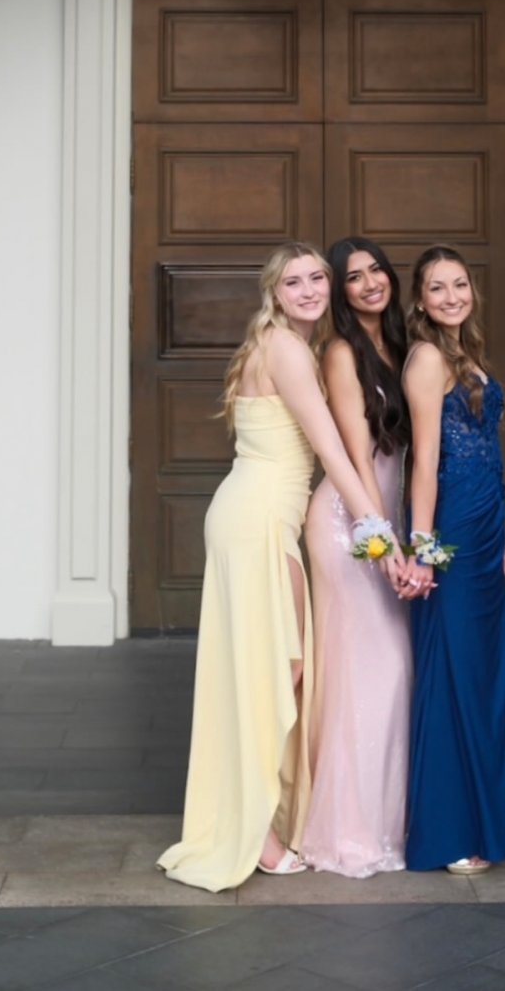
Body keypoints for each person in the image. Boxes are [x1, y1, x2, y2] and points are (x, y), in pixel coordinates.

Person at [157, 241, 398, 893]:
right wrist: (378, 537)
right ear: (274, 291)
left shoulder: (285, 344)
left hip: (257, 518)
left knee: (270, 672)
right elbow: (331, 449)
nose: (310, 289)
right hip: (258, 522)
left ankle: (259, 818)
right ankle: (256, 835)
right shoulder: (287, 349)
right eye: (294, 282)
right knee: (276, 672)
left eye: (318, 278)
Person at [402, 244, 505, 874]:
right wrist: (424, 548)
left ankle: (490, 820)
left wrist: (501, 538)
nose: (452, 296)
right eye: (437, 288)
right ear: (420, 299)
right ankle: (452, 831)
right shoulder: (428, 358)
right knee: (455, 671)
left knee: (485, 674)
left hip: (484, 531)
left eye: (459, 284)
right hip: (451, 529)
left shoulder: (466, 354)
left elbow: (487, 451)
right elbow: (425, 461)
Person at [300, 237, 413, 878]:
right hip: (350, 528)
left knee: (391, 674)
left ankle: (390, 822)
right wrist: (382, 541)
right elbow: (355, 455)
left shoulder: (401, 344)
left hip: (384, 524)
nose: (370, 282)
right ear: (340, 294)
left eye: (376, 270)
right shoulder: (342, 353)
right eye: (353, 277)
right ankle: (350, 832)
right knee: (370, 672)